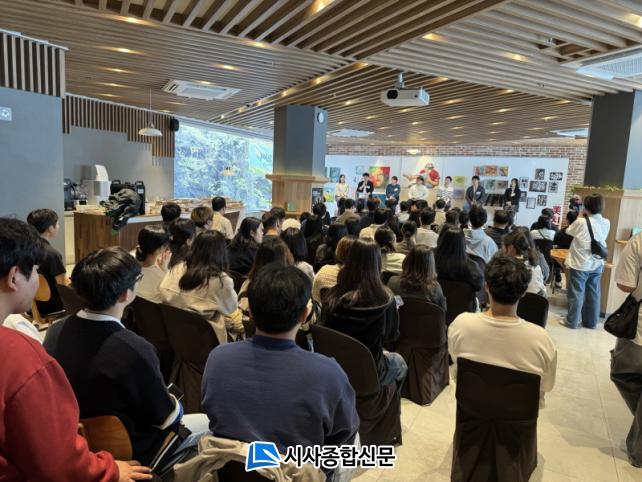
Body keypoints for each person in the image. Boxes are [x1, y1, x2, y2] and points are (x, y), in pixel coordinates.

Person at [0, 218, 152, 482]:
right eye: (35, 270)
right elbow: (57, 464)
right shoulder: (20, 357)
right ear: (14, 277)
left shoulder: (56, 331)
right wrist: (110, 470)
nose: (37, 279)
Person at [44, 246, 208, 467]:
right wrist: (174, 403)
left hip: (75, 442)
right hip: (130, 450)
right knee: (205, 422)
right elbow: (165, 418)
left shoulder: (55, 331)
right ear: (125, 294)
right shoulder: (135, 349)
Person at [201, 264, 359, 479]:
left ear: (250, 311)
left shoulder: (218, 358)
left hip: (230, 472)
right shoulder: (329, 373)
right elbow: (343, 436)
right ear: (304, 315)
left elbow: (213, 412)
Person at [448, 255, 557, 404]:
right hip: (519, 416)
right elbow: (547, 386)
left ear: (486, 287)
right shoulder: (542, 340)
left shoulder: (461, 324)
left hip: (470, 411)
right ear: (524, 292)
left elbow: (455, 359)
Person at [321, 238, 407, 386]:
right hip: (370, 372)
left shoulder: (331, 296)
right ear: (377, 264)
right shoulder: (386, 300)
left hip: (334, 368)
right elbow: (390, 336)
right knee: (400, 363)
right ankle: (385, 400)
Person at [160, 231, 241, 342]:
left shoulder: (177, 267)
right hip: (206, 340)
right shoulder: (221, 280)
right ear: (221, 252)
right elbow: (231, 308)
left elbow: (163, 293)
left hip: (174, 334)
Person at [610, 232, 642, 467]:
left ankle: (639, 452)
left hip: (639, 330)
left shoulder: (639, 241)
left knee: (621, 372)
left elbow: (626, 284)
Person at [561, 193, 610, 329]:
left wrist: (580, 216)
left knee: (576, 293)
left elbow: (569, 231)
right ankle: (590, 322)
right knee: (593, 292)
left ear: (586, 207)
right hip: (597, 262)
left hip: (580, 263)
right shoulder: (606, 222)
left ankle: (572, 322)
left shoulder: (581, 221)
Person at [26, 208, 67, 316]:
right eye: (57, 223)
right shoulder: (52, 254)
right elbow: (63, 287)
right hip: (50, 306)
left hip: (29, 303)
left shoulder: (24, 248)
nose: (58, 226)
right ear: (50, 228)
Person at [387, 245, 447, 311]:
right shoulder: (435, 288)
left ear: (407, 260)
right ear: (431, 266)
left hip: (400, 317)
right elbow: (443, 311)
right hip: (426, 317)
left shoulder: (392, 282)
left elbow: (391, 307)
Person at [435, 226, 484, 293]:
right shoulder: (472, 267)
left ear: (443, 241)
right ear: (463, 243)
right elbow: (479, 286)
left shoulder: (432, 259)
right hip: (462, 299)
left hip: (434, 297)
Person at [312, 236, 357, 303]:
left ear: (337, 251)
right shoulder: (364, 279)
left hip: (325, 308)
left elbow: (315, 297)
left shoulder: (324, 271)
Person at [502, 230, 547, 297]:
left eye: (503, 245)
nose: (502, 248)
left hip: (515, 301)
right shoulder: (535, 265)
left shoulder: (506, 268)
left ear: (511, 247)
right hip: (538, 300)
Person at [134, 225, 172, 303]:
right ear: (161, 248)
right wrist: (165, 270)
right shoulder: (162, 277)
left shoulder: (127, 266)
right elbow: (171, 299)